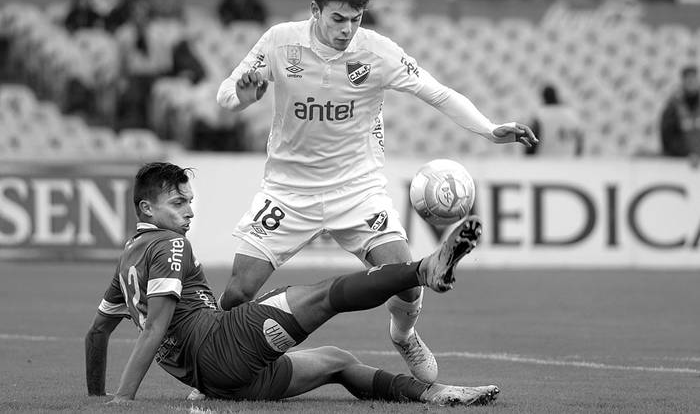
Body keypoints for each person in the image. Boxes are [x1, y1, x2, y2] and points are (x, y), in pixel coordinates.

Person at [216, 0, 538, 384]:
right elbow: (225, 96)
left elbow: (437, 93)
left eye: (355, 18)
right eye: (336, 18)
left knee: (406, 281)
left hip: (357, 188)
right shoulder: (280, 42)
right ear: (315, 10)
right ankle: (216, 363)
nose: (346, 29)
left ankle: (404, 334)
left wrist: (490, 129)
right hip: (288, 189)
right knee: (238, 291)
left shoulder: (377, 51)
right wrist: (243, 96)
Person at [84, 162, 499, 406]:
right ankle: (425, 268)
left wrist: (94, 397)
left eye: (190, 201)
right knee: (322, 295)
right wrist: (122, 401)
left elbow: (97, 332)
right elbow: (155, 327)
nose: (189, 212)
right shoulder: (171, 244)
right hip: (221, 345)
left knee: (336, 360)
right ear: (146, 207)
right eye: (178, 203)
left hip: (213, 381)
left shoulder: (126, 261)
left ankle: (436, 395)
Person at [525, 84, 583, 156]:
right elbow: (579, 142)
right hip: (569, 162)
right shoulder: (572, 115)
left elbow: (531, 144)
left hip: (546, 162)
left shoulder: (540, 116)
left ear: (543, 97)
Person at [660, 65, 700, 167]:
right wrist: (687, 153)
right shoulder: (674, 105)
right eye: (688, 78)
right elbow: (668, 136)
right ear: (683, 81)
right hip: (681, 162)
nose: (691, 82)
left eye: (693, 78)